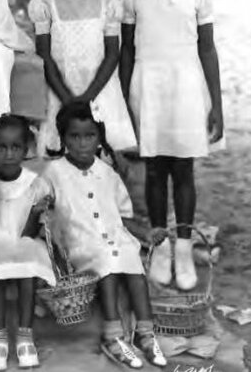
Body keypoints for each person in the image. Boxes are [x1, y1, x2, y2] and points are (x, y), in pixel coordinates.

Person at [119, 0, 224, 290]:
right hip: (148, 86)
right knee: (152, 169)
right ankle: (160, 246)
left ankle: (183, 247)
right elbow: (128, 50)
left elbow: (207, 49)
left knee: (182, 169)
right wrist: (124, 101)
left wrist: (217, 105)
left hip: (186, 87)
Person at [45, 102, 167, 369]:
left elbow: (123, 216)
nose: (82, 143)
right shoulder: (53, 172)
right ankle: (113, 334)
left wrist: (146, 233)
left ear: (99, 138)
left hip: (115, 237)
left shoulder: (108, 173)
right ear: (63, 138)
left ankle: (145, 333)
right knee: (106, 261)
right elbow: (44, 207)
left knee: (132, 261)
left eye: (89, 136)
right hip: (81, 242)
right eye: (74, 137)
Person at [28, 0, 136, 156]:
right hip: (58, 91)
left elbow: (112, 54)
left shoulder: (108, 4)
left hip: (99, 91)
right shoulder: (44, 4)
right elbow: (44, 54)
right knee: (59, 157)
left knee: (101, 159)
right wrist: (68, 99)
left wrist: (88, 98)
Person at [0, 114, 55, 370]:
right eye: (0, 147)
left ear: (25, 150)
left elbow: (28, 233)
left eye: (15, 147)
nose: (8, 154)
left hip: (23, 241)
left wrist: (38, 212)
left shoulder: (34, 183)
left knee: (27, 257)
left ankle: (25, 334)